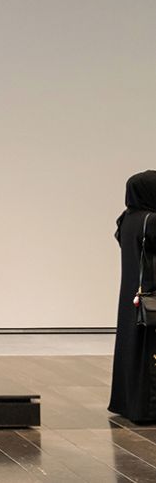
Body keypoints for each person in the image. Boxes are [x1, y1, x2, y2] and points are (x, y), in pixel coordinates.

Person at [109, 170, 156, 421]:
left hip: (131, 296)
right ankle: (147, 409)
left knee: (130, 349)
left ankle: (126, 403)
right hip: (151, 294)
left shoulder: (126, 219)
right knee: (148, 353)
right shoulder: (152, 220)